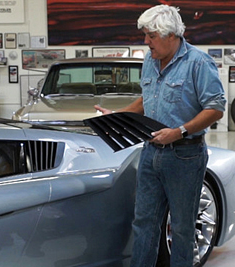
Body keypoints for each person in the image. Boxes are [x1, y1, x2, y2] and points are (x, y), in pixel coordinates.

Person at [95, 4, 226, 267]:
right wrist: (117, 115)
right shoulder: (150, 61)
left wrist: (179, 132)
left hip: (185, 156)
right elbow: (147, 99)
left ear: (170, 35)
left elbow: (216, 108)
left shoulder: (198, 63)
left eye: (151, 36)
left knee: (181, 227)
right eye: (145, 35)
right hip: (150, 153)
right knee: (144, 223)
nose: (146, 42)